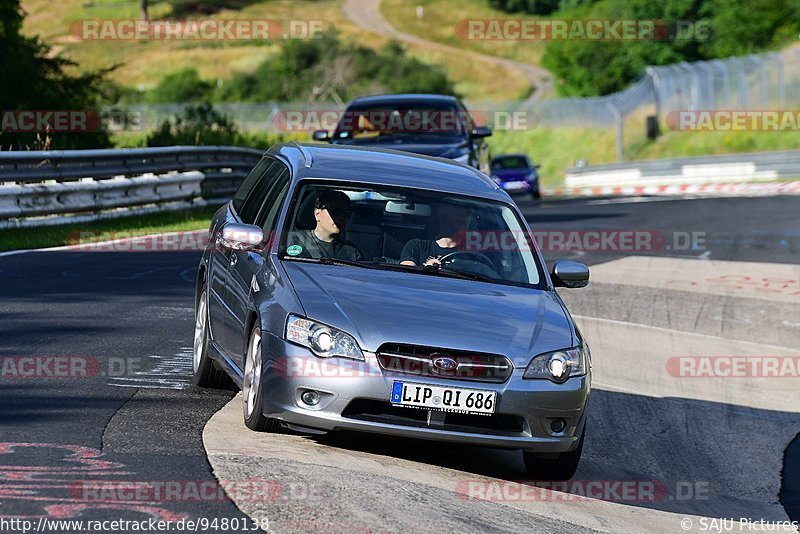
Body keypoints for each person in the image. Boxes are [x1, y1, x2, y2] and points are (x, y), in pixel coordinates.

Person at [286, 190, 362, 261]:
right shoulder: (292, 240)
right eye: (335, 211)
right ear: (317, 214)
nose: (341, 217)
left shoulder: (352, 252)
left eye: (346, 213)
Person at [400, 203, 472, 267]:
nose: (464, 215)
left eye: (468, 213)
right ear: (442, 210)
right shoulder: (417, 246)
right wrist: (427, 270)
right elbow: (406, 276)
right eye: (458, 208)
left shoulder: (473, 253)